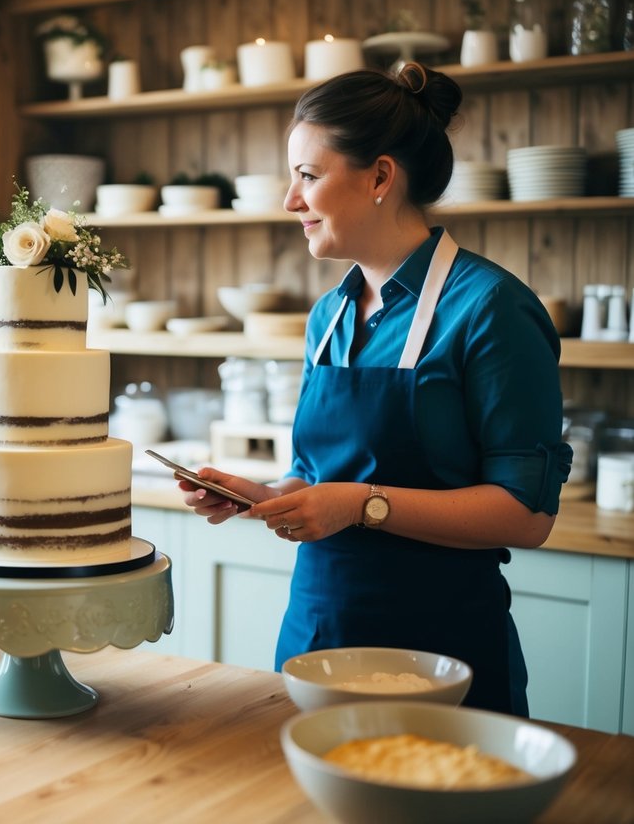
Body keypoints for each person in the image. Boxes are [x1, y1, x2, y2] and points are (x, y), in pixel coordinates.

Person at [176, 64, 571, 716]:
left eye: (307, 175)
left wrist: (362, 504)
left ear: (380, 177)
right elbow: (319, 476)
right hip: (318, 632)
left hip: (440, 649)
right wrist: (267, 496)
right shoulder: (328, 315)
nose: (290, 200)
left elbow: (526, 516)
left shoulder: (491, 308)